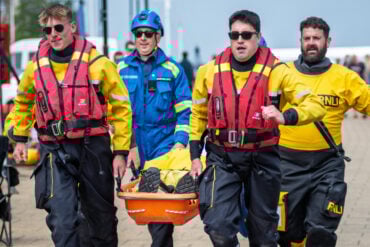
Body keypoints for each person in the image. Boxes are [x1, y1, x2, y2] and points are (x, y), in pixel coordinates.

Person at [190, 10, 326, 247]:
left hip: (262, 157)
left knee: (263, 236)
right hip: (222, 157)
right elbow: (199, 115)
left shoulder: (277, 71)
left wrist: (285, 116)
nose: (240, 40)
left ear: (258, 36)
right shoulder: (208, 72)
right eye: (234, 35)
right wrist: (194, 155)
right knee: (218, 227)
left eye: (246, 34)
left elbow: (315, 106)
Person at [11, 3, 132, 246]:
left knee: (101, 223)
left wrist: (120, 153)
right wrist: (20, 139)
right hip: (54, 149)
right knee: (62, 223)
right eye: (47, 30)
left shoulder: (99, 64)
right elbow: (23, 102)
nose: (53, 34)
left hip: (93, 147)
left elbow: (121, 109)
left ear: (73, 27)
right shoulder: (35, 67)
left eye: (58, 27)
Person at [277, 17, 370, 247]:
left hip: (327, 166)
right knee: (288, 235)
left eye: (316, 38)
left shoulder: (345, 77)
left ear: (328, 42)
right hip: (286, 166)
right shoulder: (282, 74)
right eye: (307, 38)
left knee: (321, 233)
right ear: (300, 41)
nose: (311, 43)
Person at [118, 9, 192, 247]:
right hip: (135, 147)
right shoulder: (120, 70)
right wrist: (126, 147)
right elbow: (114, 111)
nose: (143, 38)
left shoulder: (173, 70)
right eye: (138, 33)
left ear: (157, 37)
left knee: (159, 211)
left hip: (164, 147)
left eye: (148, 33)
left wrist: (179, 143)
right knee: (149, 211)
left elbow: (185, 110)